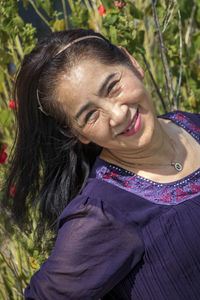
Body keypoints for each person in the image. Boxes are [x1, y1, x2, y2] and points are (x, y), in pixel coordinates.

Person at [6, 29, 200, 299]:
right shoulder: (103, 214)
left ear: (131, 62)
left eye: (112, 87)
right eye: (90, 115)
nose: (118, 115)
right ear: (78, 133)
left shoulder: (191, 124)